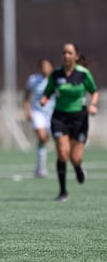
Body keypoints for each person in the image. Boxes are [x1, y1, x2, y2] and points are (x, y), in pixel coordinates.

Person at [40, 43, 99, 202]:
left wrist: (93, 105)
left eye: (70, 53)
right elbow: (48, 91)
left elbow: (94, 91)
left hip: (79, 118)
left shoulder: (83, 73)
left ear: (76, 56)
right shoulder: (56, 74)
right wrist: (44, 99)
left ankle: (78, 167)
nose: (66, 55)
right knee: (62, 153)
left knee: (75, 157)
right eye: (64, 52)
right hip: (60, 117)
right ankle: (63, 191)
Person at [23, 59, 54, 178]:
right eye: (43, 67)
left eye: (48, 66)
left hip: (52, 113)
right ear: (40, 68)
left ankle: (77, 164)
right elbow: (26, 96)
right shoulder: (33, 79)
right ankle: (40, 168)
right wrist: (27, 110)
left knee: (61, 140)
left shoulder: (56, 79)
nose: (46, 69)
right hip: (38, 112)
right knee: (42, 137)